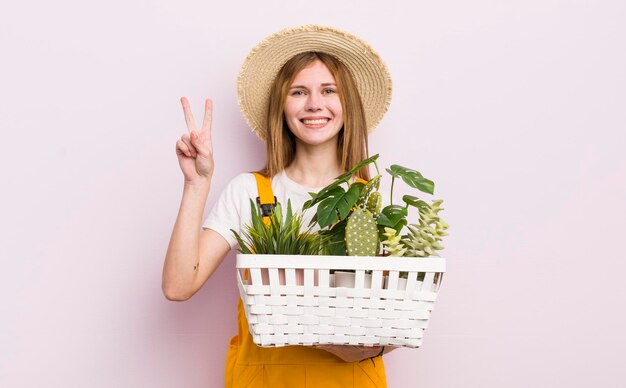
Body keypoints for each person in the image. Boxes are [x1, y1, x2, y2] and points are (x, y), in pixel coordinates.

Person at [162, 25, 394, 387]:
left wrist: (370, 349)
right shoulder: (249, 193)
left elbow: (397, 313)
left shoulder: (373, 201)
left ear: (347, 104)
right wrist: (196, 183)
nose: (314, 104)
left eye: (328, 90)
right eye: (298, 92)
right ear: (282, 108)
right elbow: (179, 286)